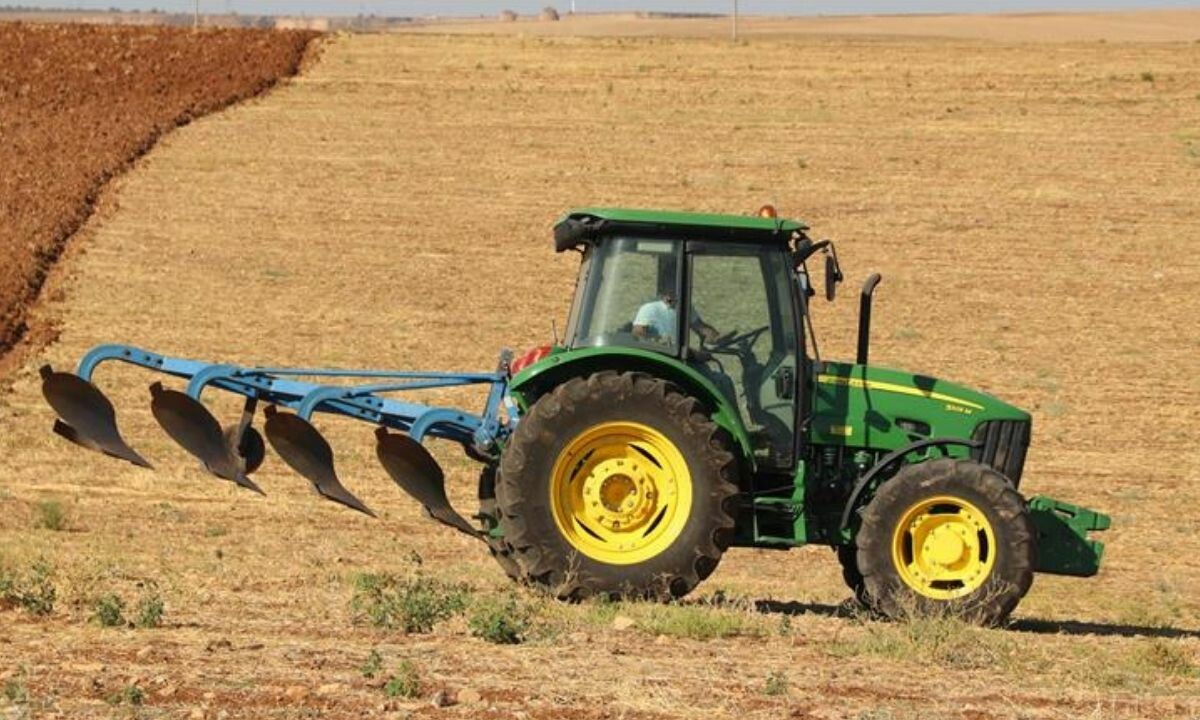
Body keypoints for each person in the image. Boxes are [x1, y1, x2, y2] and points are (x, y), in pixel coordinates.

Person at [631, 291, 723, 344]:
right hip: (661, 353)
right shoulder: (650, 308)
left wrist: (714, 335)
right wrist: (658, 341)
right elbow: (638, 333)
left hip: (678, 354)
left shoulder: (685, 308)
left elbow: (701, 328)